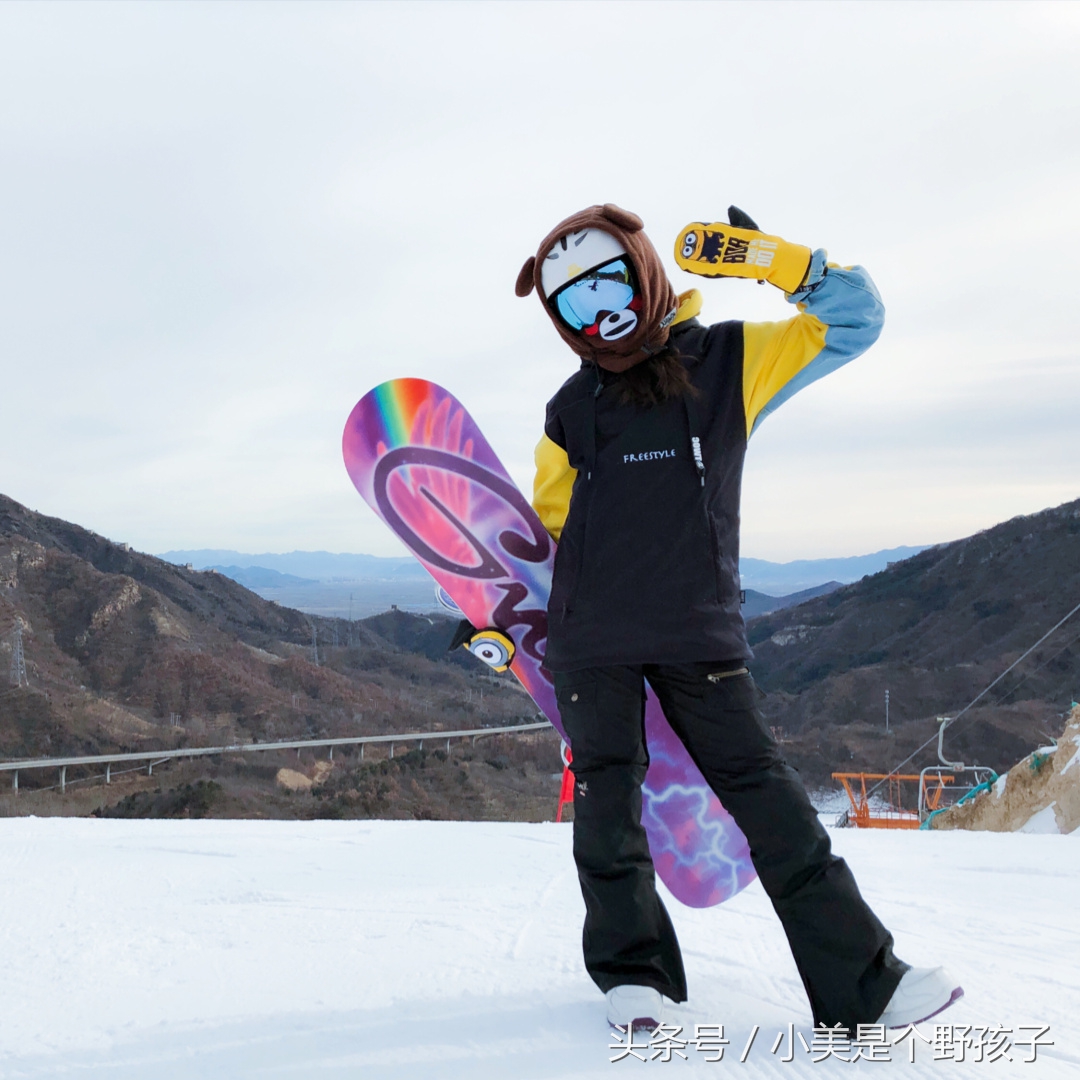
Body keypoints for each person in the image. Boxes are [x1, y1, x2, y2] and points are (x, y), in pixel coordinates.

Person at [514, 203, 962, 1033]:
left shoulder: (727, 360)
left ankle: (869, 984)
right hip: (594, 640)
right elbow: (550, 524)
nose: (597, 310)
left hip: (698, 631)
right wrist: (504, 618)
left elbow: (855, 320)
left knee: (771, 802)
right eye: (572, 303)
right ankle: (633, 978)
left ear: (643, 273)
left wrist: (772, 260)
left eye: (608, 282)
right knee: (608, 806)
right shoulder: (569, 409)